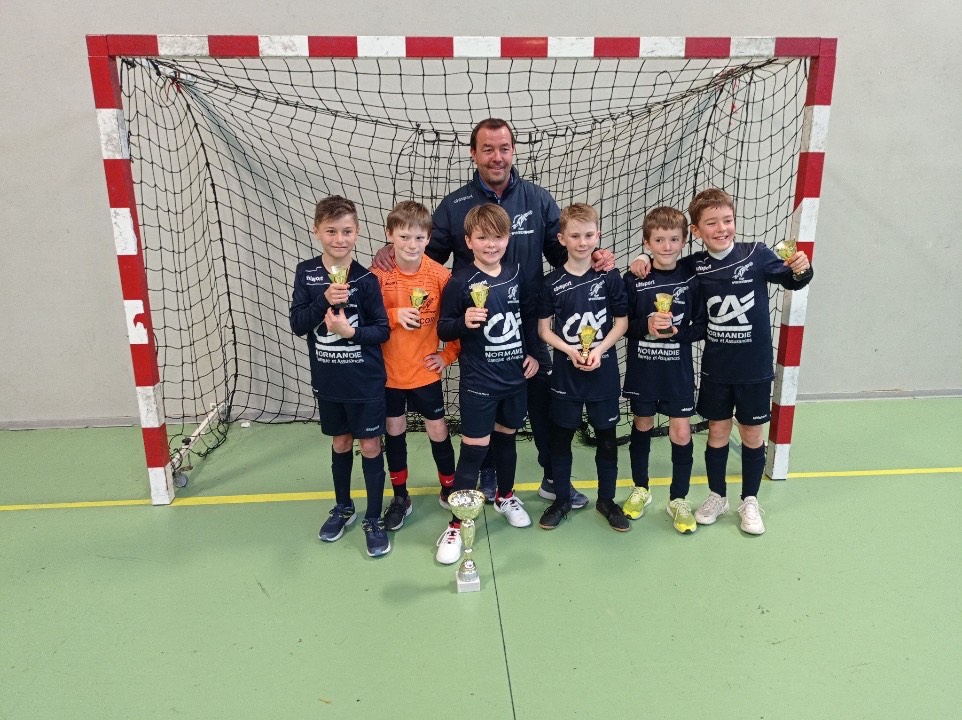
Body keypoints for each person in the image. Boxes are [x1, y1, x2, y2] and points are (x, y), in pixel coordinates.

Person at [373, 118, 614, 509]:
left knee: (540, 405)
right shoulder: (453, 207)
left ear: (513, 151)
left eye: (503, 148)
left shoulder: (537, 200)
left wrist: (596, 256)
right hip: (481, 337)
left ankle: (554, 479)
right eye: (487, 149)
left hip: (531, 327)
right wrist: (392, 257)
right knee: (484, 412)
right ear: (473, 154)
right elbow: (425, 264)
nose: (496, 157)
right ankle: (486, 477)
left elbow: (562, 252)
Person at [631, 189, 813, 534]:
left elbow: (792, 278)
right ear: (696, 232)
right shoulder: (695, 264)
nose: (722, 228)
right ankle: (718, 495)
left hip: (754, 368)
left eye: (727, 220)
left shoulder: (756, 254)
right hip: (717, 368)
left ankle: (750, 500)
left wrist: (803, 268)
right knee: (716, 431)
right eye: (711, 223)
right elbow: (663, 260)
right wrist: (641, 256)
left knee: (751, 433)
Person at [434, 204, 540, 564]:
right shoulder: (460, 281)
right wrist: (464, 320)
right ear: (469, 241)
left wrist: (534, 354)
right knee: (475, 449)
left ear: (507, 239)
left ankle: (505, 495)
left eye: (497, 237)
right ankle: (455, 523)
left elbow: (527, 319)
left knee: (507, 438)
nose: (491, 244)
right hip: (480, 381)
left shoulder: (515, 273)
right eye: (482, 237)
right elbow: (444, 328)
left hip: (515, 378)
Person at [289, 195, 392, 557]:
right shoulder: (307, 273)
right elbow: (298, 324)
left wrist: (351, 334)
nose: (339, 239)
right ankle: (344, 507)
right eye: (331, 231)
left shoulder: (367, 278)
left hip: (365, 382)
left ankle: (374, 518)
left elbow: (382, 331)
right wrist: (323, 300)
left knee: (370, 445)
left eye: (346, 231)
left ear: (358, 233)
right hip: (329, 381)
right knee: (340, 443)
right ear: (317, 231)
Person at [536, 203, 629, 531]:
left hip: (602, 373)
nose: (582, 241)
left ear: (598, 235)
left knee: (606, 438)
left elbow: (622, 322)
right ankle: (562, 499)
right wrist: (571, 351)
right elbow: (544, 330)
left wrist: (600, 350)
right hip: (566, 372)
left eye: (589, 235)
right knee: (560, 438)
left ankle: (607, 500)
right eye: (574, 235)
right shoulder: (550, 284)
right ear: (561, 238)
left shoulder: (610, 276)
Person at [371, 201, 460, 531]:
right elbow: (366, 322)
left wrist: (447, 356)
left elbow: (454, 323)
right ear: (389, 236)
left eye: (419, 238)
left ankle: (449, 487)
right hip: (390, 374)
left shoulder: (440, 275)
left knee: (438, 429)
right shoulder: (378, 276)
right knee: (394, 431)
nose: (411, 245)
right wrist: (394, 316)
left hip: (425, 372)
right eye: (404, 237)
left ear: (428, 238)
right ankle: (400, 496)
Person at [621, 207, 706, 534]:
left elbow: (701, 326)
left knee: (681, 432)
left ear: (684, 241)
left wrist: (676, 332)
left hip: (677, 374)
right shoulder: (634, 278)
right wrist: (646, 325)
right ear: (647, 241)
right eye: (659, 240)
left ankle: (678, 498)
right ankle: (640, 488)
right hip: (643, 372)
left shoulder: (691, 279)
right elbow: (624, 325)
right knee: (641, 425)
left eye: (673, 239)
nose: (667, 246)